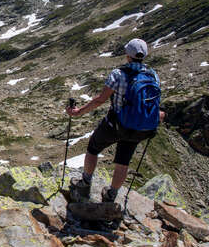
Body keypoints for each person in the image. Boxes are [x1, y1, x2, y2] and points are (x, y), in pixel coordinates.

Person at [65, 38, 166, 202]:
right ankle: (111, 195)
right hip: (141, 128)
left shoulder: (118, 74)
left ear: (128, 55)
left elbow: (100, 99)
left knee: (93, 147)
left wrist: (78, 112)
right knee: (123, 161)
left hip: (117, 124)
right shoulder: (153, 75)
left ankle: (85, 182)